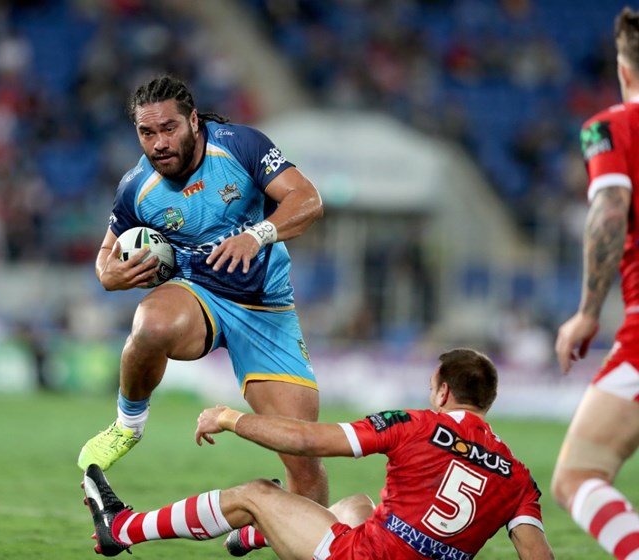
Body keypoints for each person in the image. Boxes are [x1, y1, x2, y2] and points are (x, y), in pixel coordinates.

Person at [77, 75, 329, 508]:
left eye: (168, 128)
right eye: (146, 132)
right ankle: (127, 424)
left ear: (193, 121)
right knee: (151, 324)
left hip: (266, 310)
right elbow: (105, 258)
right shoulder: (136, 188)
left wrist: (257, 235)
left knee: (302, 455)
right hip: (199, 292)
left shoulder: (240, 146)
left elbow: (308, 200)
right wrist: (108, 276)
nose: (158, 143)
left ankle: (288, 536)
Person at [82, 348, 554, 559]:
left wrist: (230, 419)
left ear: (442, 390)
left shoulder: (416, 425)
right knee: (355, 507)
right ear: (486, 402)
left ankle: (120, 530)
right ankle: (252, 540)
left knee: (256, 493)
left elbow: (310, 441)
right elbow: (536, 556)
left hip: (361, 559)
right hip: (385, 548)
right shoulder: (517, 476)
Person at [552, 8, 639, 559]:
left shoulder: (612, 127)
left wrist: (587, 310)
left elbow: (610, 209)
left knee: (577, 475)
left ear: (624, 69)